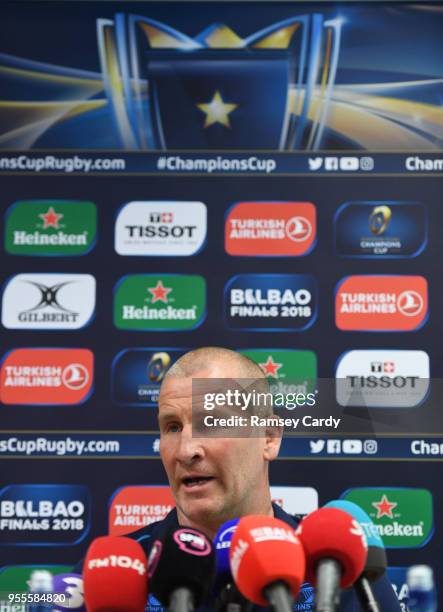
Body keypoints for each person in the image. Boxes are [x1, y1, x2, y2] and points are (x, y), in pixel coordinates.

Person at [78, 347, 401, 611]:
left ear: (269, 438)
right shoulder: (114, 571)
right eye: (172, 427)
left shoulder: (334, 569)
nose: (186, 450)